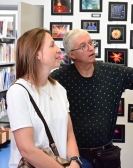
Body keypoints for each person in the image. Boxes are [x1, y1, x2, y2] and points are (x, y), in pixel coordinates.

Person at [50, 29, 133, 167]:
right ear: (72, 54)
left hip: (107, 154)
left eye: (90, 43)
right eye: (83, 46)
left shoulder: (110, 71)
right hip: (77, 156)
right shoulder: (59, 78)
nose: (90, 48)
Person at [7, 28, 81, 168]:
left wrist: (75, 161)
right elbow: (27, 150)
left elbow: (69, 135)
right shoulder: (18, 92)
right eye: (52, 45)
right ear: (37, 55)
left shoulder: (59, 89)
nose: (59, 50)